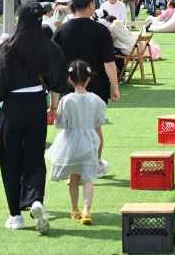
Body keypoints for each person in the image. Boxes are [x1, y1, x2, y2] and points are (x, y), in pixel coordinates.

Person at [0, 1, 68, 232]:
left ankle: (15, 214)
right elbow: (58, 78)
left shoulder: (7, 47)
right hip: (36, 103)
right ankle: (35, 200)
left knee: (10, 159)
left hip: (13, 104)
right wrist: (53, 102)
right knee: (35, 157)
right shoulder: (47, 45)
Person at [54, 0, 120, 176]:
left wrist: (56, 91)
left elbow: (55, 64)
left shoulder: (60, 31)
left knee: (71, 129)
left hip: (69, 86)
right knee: (94, 128)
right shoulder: (101, 30)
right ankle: (94, 164)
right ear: (91, 4)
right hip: (96, 86)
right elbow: (109, 62)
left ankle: (73, 166)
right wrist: (114, 86)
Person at [46, 60, 107, 226]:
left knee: (73, 178)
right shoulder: (96, 100)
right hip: (89, 140)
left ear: (69, 79)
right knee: (88, 179)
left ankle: (74, 209)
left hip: (71, 142)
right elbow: (98, 123)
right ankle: (87, 210)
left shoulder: (66, 100)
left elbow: (61, 124)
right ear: (88, 79)